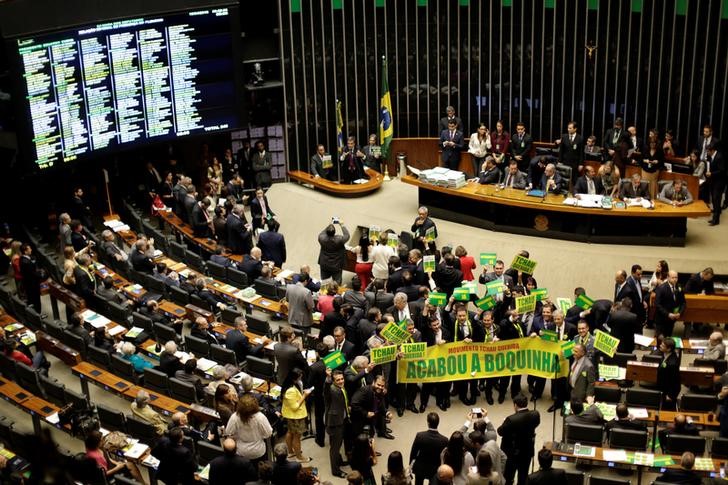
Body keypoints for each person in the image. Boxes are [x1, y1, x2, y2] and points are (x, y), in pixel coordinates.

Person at [497, 393, 540, 485]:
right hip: (527, 450)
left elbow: (500, 432)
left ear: (515, 405)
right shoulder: (535, 414)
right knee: (523, 475)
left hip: (512, 453)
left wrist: (505, 423)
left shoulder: (510, 419)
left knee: (508, 476)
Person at [225, 394, 274, 463]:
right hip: (258, 451)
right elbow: (269, 433)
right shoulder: (260, 417)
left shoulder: (235, 417)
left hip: (241, 451)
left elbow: (228, 432)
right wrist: (260, 436)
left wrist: (236, 437)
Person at [280, 368, 312, 463]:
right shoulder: (290, 390)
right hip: (295, 416)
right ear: (294, 378)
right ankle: (299, 457)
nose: (301, 378)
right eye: (299, 377)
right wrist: (305, 395)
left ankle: (290, 452)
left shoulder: (289, 384)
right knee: (296, 437)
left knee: (290, 432)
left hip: (290, 415)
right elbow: (295, 407)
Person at [325, 368, 351, 478]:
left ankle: (339, 461)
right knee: (335, 448)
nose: (341, 381)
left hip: (342, 418)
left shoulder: (342, 387)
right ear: (333, 381)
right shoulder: (331, 389)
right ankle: (335, 470)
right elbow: (326, 391)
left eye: (342, 379)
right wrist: (327, 379)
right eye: (338, 380)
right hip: (334, 423)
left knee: (338, 444)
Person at [351, 373, 392, 439]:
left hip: (371, 420)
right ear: (373, 382)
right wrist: (366, 413)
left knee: (370, 436)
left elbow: (380, 405)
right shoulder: (364, 390)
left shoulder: (380, 392)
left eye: (382, 386)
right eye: (378, 385)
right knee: (362, 440)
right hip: (360, 420)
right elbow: (354, 404)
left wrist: (386, 413)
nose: (380, 387)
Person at [654, 270, 685, 338]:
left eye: (676, 277)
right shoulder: (661, 288)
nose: (675, 280)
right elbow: (657, 304)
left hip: (671, 320)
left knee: (668, 337)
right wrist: (668, 314)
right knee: (660, 339)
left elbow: (683, 303)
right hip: (661, 319)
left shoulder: (679, 287)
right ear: (668, 277)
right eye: (672, 277)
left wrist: (680, 313)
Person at [318, 219, 350, 284]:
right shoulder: (339, 240)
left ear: (326, 232)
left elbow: (322, 233)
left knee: (324, 282)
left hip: (324, 264)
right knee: (336, 283)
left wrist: (329, 225)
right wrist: (342, 225)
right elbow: (347, 235)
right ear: (335, 232)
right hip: (337, 265)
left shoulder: (321, 238)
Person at [657, 337, 681, 409]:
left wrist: (671, 395)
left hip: (669, 391)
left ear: (669, 349)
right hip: (663, 386)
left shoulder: (672, 364)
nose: (660, 346)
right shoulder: (665, 354)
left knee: (667, 408)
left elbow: (675, 381)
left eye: (663, 345)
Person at [706, 142, 726, 225]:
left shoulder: (720, 157)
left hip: (720, 181)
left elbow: (722, 171)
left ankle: (716, 220)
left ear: (712, 150)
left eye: (708, 151)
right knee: (714, 199)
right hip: (713, 180)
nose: (707, 153)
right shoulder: (710, 156)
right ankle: (715, 214)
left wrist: (712, 174)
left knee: (716, 199)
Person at [19, 243, 43, 311]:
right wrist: (42, 275)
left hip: (29, 283)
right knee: (35, 300)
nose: (31, 250)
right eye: (29, 249)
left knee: (32, 299)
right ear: (25, 251)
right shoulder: (26, 262)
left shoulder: (23, 258)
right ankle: (38, 314)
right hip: (32, 285)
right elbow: (33, 273)